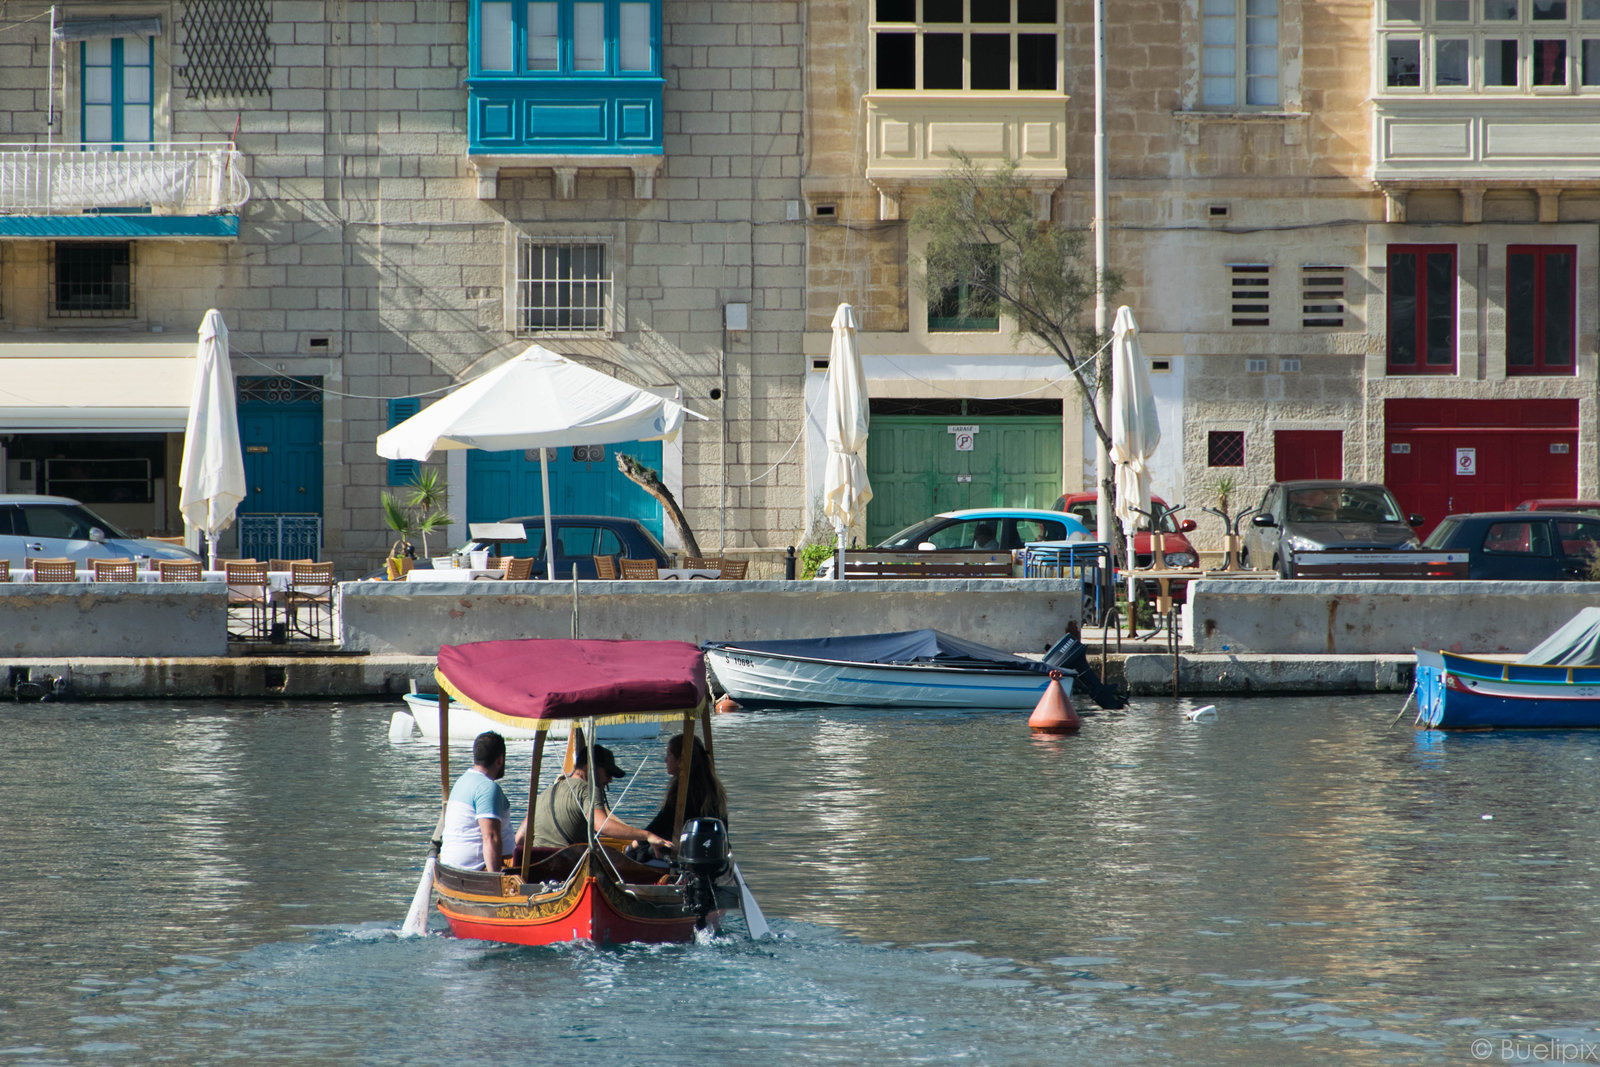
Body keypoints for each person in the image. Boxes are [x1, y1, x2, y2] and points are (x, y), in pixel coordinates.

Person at [530, 742, 673, 853]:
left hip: (540, 868)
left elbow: (521, 837)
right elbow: (602, 825)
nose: (610, 780)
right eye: (608, 773)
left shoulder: (545, 793)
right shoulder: (588, 790)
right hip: (569, 870)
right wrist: (647, 836)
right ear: (591, 767)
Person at [439, 730, 515, 871]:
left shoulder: (461, 781)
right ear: (500, 760)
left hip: (450, 867)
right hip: (476, 870)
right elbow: (490, 837)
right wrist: (495, 881)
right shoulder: (487, 787)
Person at [643, 734, 729, 843]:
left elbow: (659, 825)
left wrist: (636, 842)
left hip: (683, 850)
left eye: (669, 755)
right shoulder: (714, 789)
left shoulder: (683, 792)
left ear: (680, 761)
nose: (665, 760)